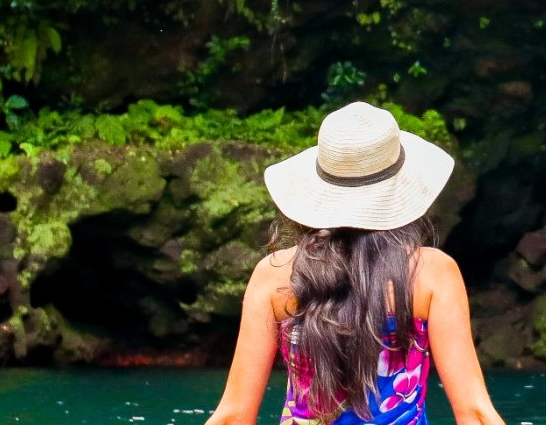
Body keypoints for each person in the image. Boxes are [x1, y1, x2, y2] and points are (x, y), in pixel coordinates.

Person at [205, 102, 506, 425]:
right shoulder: (432, 273)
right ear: (399, 188)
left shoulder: (274, 275)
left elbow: (234, 416)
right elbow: (474, 413)